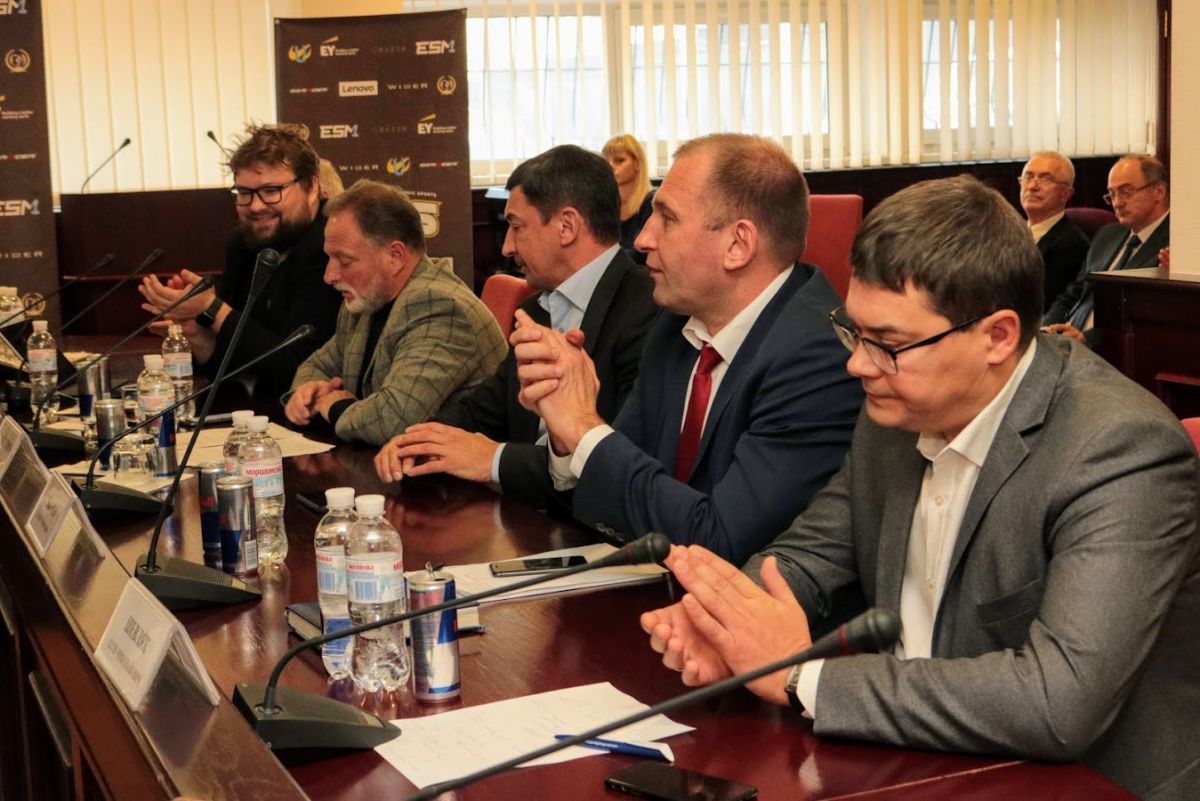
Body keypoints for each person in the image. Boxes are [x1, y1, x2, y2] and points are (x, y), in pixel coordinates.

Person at [640, 175, 1200, 801]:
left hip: (1081, 782)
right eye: (854, 331)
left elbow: (1058, 700)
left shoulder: (1120, 450)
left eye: (888, 344)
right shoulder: (897, 405)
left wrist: (801, 679)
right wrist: (727, 623)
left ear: (998, 337)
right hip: (911, 758)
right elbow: (814, 550)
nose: (857, 363)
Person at [512, 133, 863, 564]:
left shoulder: (818, 358)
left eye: (667, 218)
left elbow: (719, 542)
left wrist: (585, 428)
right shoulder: (676, 324)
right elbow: (616, 493)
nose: (642, 238)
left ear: (738, 245)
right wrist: (566, 428)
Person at [373, 145, 657, 509]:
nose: (507, 247)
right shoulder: (535, 309)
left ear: (567, 226)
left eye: (517, 226)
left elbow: (622, 455)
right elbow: (484, 410)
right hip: (528, 516)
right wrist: (418, 442)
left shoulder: (646, 308)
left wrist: (493, 459)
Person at [284, 180, 507, 446]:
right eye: (329, 258)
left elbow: (394, 419)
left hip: (458, 470)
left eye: (344, 261)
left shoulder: (440, 307)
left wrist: (331, 406)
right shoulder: (366, 300)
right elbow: (316, 366)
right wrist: (306, 394)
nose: (329, 276)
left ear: (395, 256)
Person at [138, 123, 342, 398]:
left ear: (312, 187)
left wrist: (212, 308)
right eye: (244, 193)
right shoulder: (243, 244)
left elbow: (297, 370)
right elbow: (234, 365)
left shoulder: (332, 248)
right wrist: (196, 332)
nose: (256, 206)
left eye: (271, 191)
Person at [1043, 154, 1170, 346]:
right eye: (1112, 194)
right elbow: (1073, 293)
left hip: (1111, 350)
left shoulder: (1177, 244)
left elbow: (1145, 315)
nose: (1117, 203)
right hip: (1067, 342)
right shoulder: (1107, 234)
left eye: (1126, 192)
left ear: (1159, 191)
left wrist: (1087, 339)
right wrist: (1044, 329)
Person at [1017, 151, 1089, 310]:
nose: (1032, 186)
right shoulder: (1008, 233)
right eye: (1028, 177)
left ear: (1065, 194)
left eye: (1045, 179)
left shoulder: (1072, 244)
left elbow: (1040, 304)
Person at [603, 134, 655, 265]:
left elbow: (643, 254)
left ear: (637, 164)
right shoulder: (604, 205)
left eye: (619, 161)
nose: (610, 166)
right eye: (606, 161)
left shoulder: (651, 203)